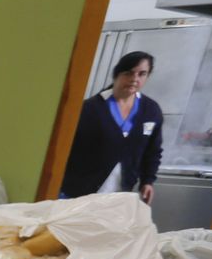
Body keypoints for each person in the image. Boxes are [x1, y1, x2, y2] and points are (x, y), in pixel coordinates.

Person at [60, 51, 162, 203]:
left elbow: (152, 151)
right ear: (117, 74)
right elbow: (66, 150)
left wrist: (148, 181)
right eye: (129, 73)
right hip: (79, 193)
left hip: (120, 195)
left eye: (142, 74)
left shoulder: (151, 110)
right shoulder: (89, 109)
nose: (135, 79)